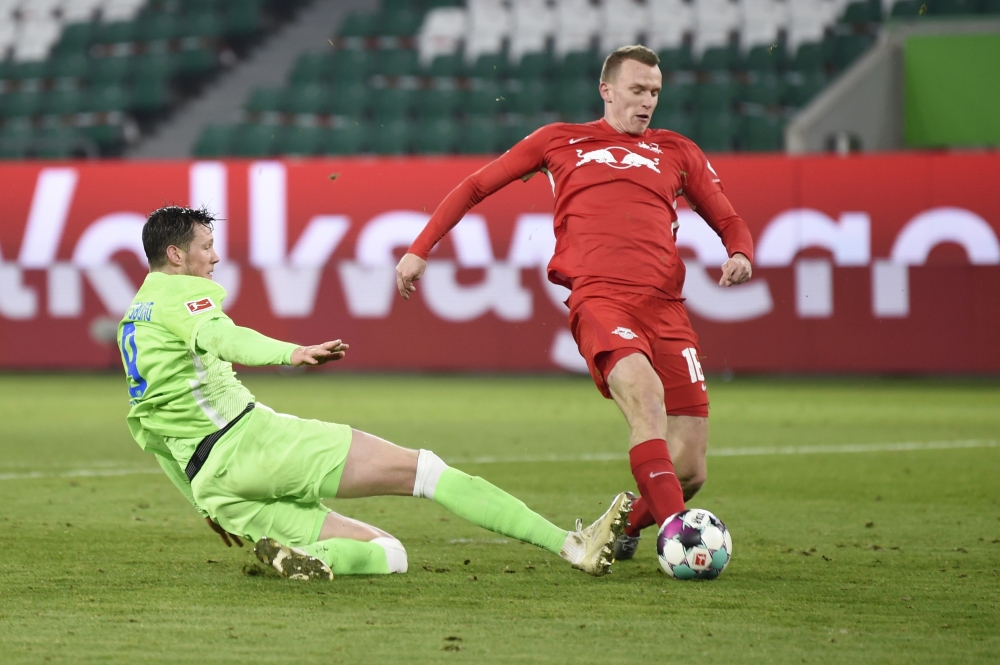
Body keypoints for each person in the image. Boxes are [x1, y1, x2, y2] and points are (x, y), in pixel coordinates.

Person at [118, 205, 631, 580]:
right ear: (175, 254)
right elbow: (224, 337)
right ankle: (572, 546)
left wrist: (202, 504)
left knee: (390, 554)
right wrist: (290, 353)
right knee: (425, 471)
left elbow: (148, 431)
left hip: (213, 485)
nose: (214, 257)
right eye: (206, 247)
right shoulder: (182, 294)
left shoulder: (131, 322)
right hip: (251, 442)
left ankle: (315, 561)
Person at [395, 45, 754, 560]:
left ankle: (623, 527)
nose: (647, 101)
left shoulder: (678, 151)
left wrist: (739, 252)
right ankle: (680, 539)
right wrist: (419, 248)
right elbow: (476, 186)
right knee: (646, 403)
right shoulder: (559, 141)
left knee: (691, 469)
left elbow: (728, 216)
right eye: (637, 90)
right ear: (606, 90)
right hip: (601, 299)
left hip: (666, 309)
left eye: (654, 92)